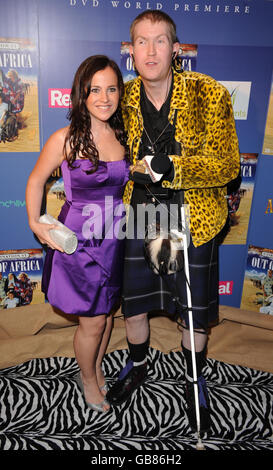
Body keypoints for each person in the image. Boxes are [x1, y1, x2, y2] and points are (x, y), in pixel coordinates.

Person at [106, 10, 240, 432]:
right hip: (141, 213)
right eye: (141, 42)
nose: (150, 50)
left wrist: (171, 167)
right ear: (130, 51)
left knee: (195, 313)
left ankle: (194, 378)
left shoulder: (209, 93)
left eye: (159, 41)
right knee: (134, 307)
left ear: (175, 48)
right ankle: (138, 365)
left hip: (193, 215)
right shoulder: (120, 97)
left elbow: (228, 164)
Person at [26, 55, 129, 413]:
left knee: (107, 314)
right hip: (80, 243)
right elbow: (36, 181)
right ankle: (87, 380)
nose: (104, 97)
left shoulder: (122, 134)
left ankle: (96, 368)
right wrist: (36, 223)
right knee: (92, 320)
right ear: (81, 94)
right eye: (95, 89)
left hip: (117, 237)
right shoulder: (65, 138)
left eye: (112, 88)